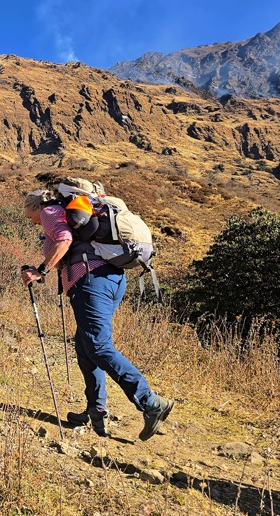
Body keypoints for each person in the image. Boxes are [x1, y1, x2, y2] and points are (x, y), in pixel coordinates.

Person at [21, 189, 173, 441]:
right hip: (109, 280)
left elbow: (63, 240)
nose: (31, 221)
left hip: (91, 281)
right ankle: (96, 409)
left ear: (34, 206)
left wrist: (40, 271)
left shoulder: (49, 211)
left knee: (98, 346)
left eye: (29, 216)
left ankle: (150, 402)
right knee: (85, 345)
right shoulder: (67, 213)